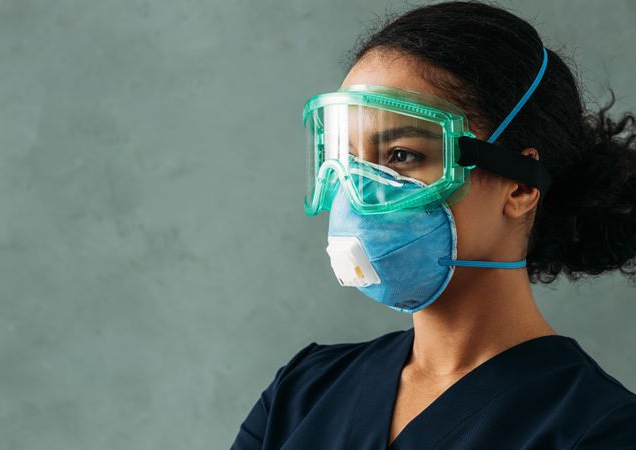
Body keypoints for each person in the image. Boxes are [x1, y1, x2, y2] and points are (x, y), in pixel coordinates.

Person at [230, 2, 636, 449]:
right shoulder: (303, 391)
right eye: (344, 159)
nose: (357, 191)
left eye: (402, 155)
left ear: (519, 187)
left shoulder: (599, 430)